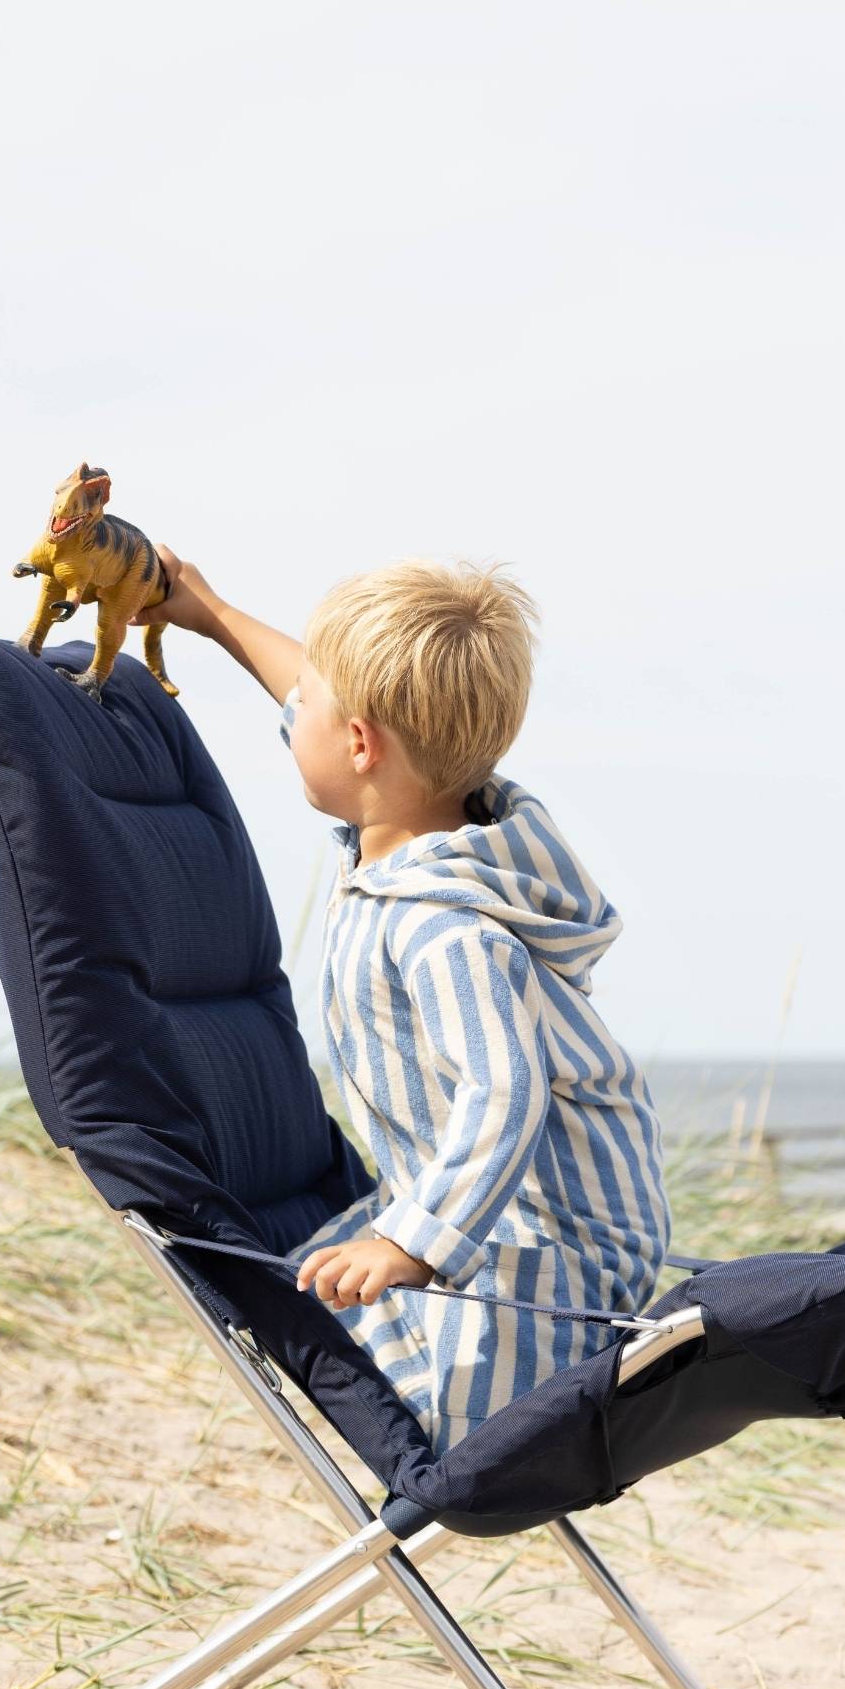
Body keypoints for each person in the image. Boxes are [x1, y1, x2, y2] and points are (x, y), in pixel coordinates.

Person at [139, 548, 669, 1442]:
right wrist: (205, 609)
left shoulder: (443, 926)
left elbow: (506, 1091)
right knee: (302, 1286)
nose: (290, 708)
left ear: (359, 744)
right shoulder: (426, 819)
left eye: (306, 702)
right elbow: (318, 693)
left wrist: (413, 1245)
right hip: (499, 1217)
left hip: (554, 1269)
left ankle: (467, 1424)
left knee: (327, 1335)